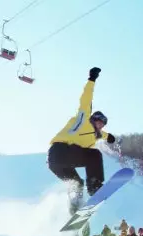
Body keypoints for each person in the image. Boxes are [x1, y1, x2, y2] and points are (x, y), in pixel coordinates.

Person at [47, 67, 118, 215]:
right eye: (100, 122)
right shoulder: (83, 119)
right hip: (61, 150)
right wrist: (91, 80)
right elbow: (86, 98)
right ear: (94, 119)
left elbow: (100, 135)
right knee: (94, 155)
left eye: (104, 125)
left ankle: (74, 212)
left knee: (77, 184)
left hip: (56, 164)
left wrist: (108, 136)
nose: (101, 126)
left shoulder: (94, 136)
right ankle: (95, 187)